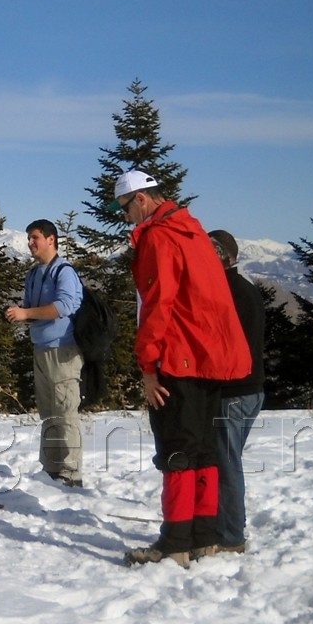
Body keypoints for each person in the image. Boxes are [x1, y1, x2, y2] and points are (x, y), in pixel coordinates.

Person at [114, 170, 252, 568]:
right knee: (204, 449)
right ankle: (203, 537)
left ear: (142, 199)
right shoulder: (193, 231)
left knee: (176, 449)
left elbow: (159, 303)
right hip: (210, 360)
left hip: (179, 357)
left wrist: (148, 365)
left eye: (124, 207)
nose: (124, 216)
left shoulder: (159, 237)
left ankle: (175, 543)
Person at [5, 219, 85, 488]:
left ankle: (71, 473)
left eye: (35, 237)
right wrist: (21, 314)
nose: (30, 242)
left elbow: (64, 306)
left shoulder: (64, 271)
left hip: (63, 349)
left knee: (65, 412)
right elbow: (32, 308)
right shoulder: (34, 274)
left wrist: (26, 313)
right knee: (49, 413)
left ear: (51, 239)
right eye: (29, 237)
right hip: (41, 348)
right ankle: (51, 468)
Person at [205, 229, 266, 557]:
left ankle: (230, 537)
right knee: (229, 462)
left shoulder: (223, 292)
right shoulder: (247, 289)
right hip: (251, 389)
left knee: (227, 465)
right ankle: (226, 527)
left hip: (232, 392)